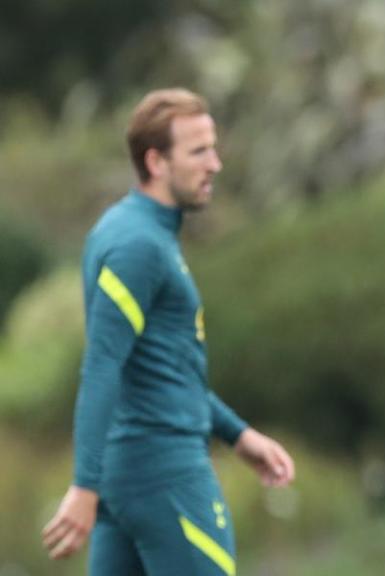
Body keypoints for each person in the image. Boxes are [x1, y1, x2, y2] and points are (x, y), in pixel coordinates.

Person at [41, 88, 296, 575]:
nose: (215, 164)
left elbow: (164, 366)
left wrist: (237, 434)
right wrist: (82, 486)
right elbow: (102, 364)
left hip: (132, 476)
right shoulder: (137, 245)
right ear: (156, 161)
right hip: (163, 472)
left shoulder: (131, 230)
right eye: (199, 151)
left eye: (213, 147)